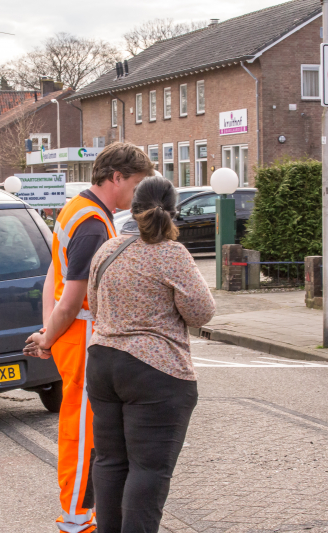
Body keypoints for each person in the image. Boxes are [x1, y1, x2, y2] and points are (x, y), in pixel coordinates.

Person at [25, 142, 154, 533]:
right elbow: (72, 299)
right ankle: (77, 518)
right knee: (84, 432)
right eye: (135, 184)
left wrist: (48, 331)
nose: (137, 194)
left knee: (81, 425)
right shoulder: (94, 224)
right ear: (116, 177)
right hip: (83, 336)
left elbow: (54, 274)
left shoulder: (75, 209)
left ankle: (81, 513)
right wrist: (48, 337)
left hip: (72, 335)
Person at [85, 176, 216, 533]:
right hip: (155, 371)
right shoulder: (172, 254)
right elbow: (202, 312)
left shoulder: (107, 249)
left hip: (102, 364)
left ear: (133, 208)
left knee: (109, 462)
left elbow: (95, 306)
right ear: (173, 212)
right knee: (149, 469)